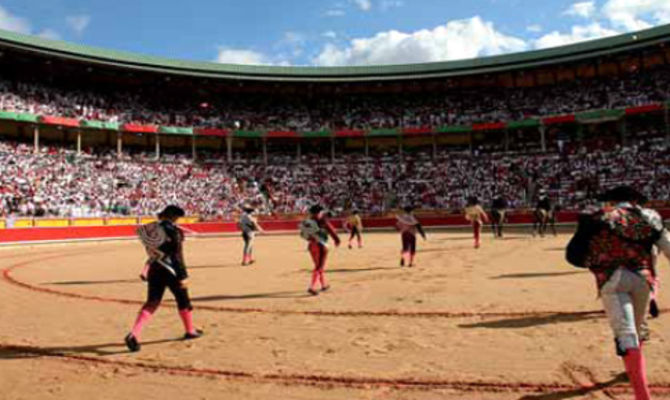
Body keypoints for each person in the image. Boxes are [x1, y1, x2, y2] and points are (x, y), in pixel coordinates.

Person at [579, 186, 670, 400]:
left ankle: (642, 395)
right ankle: (633, 373)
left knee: (626, 333)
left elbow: (575, 253)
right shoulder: (649, 216)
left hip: (613, 278)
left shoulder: (600, 217)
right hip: (644, 278)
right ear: (634, 201)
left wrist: (594, 262)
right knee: (637, 329)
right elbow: (667, 246)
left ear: (612, 201)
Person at [125, 205, 203, 352]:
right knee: (183, 300)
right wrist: (182, 276)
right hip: (171, 270)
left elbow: (153, 251)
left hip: (155, 268)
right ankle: (190, 330)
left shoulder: (150, 228)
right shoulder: (174, 231)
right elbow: (176, 256)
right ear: (174, 217)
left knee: (152, 302)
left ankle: (134, 333)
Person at [301, 204, 340, 296]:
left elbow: (303, 234)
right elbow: (331, 230)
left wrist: (311, 239)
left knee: (318, 266)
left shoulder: (307, 222)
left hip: (311, 246)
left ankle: (323, 285)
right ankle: (312, 287)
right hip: (321, 245)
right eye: (321, 212)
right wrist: (337, 240)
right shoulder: (322, 220)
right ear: (318, 213)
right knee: (319, 266)